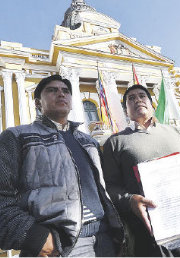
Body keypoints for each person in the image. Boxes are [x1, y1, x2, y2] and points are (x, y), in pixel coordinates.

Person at [0, 75, 124, 257]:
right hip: (61, 246)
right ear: (37, 103)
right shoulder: (17, 137)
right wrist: (34, 237)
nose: (61, 94)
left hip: (105, 239)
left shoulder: (89, 142)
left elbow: (105, 190)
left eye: (66, 91)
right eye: (52, 90)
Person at [102, 84, 180, 257]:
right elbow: (109, 187)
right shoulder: (115, 142)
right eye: (131, 99)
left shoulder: (177, 132)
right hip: (151, 235)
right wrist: (130, 200)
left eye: (142, 96)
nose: (137, 100)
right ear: (126, 110)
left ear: (151, 103)